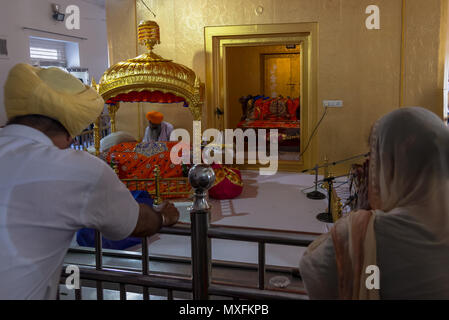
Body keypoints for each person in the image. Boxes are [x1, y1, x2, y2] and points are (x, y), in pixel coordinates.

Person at [0, 64, 179, 300]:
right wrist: (163, 216)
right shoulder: (77, 168)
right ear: (70, 134)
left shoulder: (169, 128)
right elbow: (136, 222)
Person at [299, 107, 449, 299]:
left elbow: (313, 270)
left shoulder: (369, 232)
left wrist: (358, 217)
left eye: (374, 155)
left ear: (390, 165)